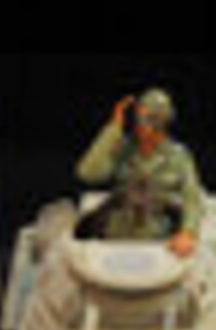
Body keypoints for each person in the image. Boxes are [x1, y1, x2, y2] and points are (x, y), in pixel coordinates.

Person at [75, 88, 205, 257]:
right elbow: (87, 173)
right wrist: (113, 129)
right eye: (138, 118)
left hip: (159, 238)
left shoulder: (178, 156)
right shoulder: (122, 149)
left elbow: (192, 198)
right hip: (115, 235)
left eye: (148, 119)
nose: (140, 125)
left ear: (161, 122)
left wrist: (188, 232)